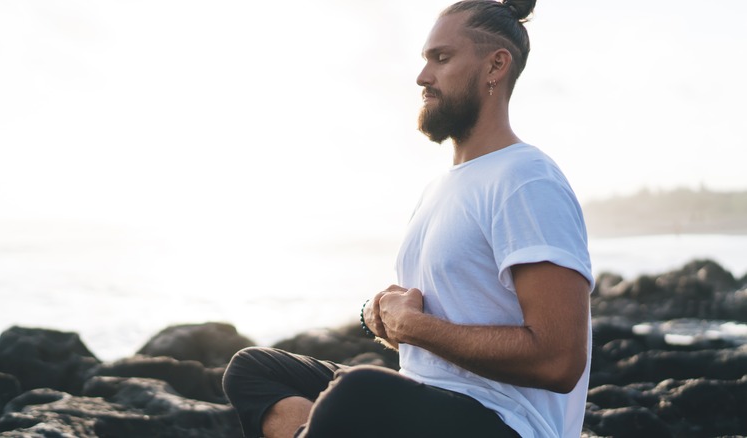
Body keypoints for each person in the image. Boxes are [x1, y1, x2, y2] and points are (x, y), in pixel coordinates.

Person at [222, 0, 594, 437]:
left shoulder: (526, 180)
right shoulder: (440, 188)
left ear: (495, 65)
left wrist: (415, 327)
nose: (422, 77)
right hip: (425, 400)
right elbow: (427, 313)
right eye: (425, 60)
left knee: (357, 393)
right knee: (252, 368)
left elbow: (558, 360)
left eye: (442, 58)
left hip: (506, 422)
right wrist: (377, 314)